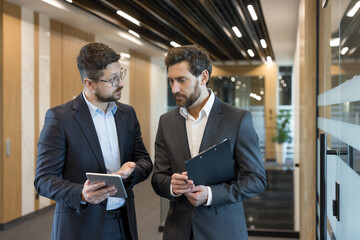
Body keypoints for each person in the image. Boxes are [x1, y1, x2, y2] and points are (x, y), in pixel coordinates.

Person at [34, 42, 153, 240]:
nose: (120, 83)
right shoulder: (60, 118)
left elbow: (145, 161)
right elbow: (43, 179)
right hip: (81, 226)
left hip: (123, 223)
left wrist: (131, 173)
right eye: (112, 79)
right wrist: (81, 193)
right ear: (89, 83)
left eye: (120, 75)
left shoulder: (127, 114)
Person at [151, 45, 267, 240]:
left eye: (182, 80)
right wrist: (172, 186)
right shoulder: (166, 121)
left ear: (203, 77)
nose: (174, 88)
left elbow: (256, 179)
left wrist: (211, 194)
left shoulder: (237, 119)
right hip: (178, 230)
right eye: (171, 81)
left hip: (223, 230)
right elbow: (158, 178)